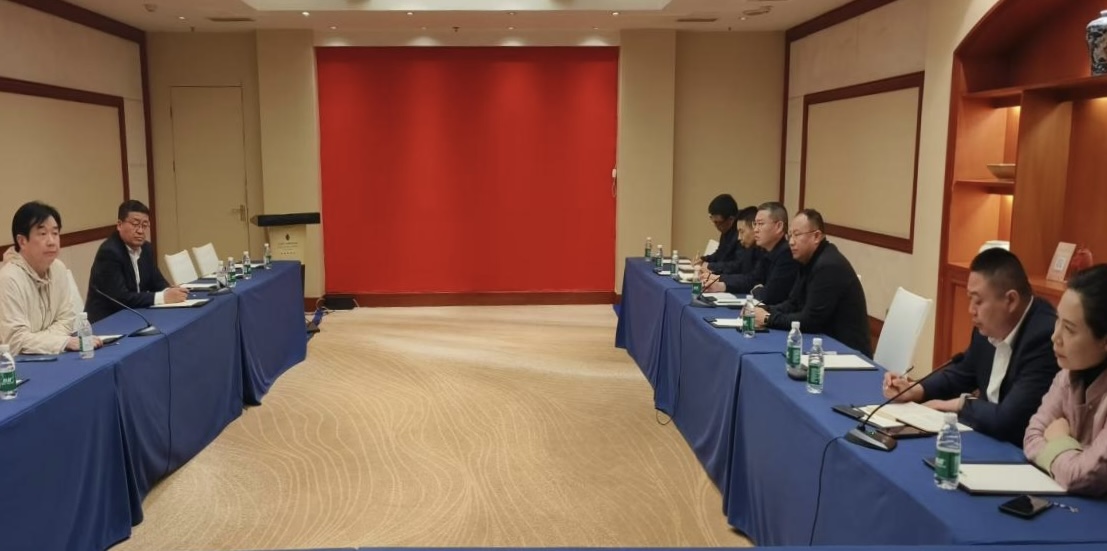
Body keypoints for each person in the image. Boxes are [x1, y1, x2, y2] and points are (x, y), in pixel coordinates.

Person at [883, 248, 1058, 446]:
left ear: (1010, 300)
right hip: (985, 436)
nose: (971, 310)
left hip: (1017, 450)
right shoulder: (989, 327)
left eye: (978, 301)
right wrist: (916, 390)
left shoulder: (1044, 338)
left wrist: (959, 405)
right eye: (970, 300)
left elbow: (1009, 419)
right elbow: (962, 373)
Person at [1024, 265, 1107, 496]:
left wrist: (1060, 440)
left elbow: (1083, 477)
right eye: (1058, 321)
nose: (1055, 336)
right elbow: (1032, 435)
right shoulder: (1068, 374)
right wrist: (1076, 457)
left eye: (1069, 329)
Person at [754, 209, 872, 357]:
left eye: (797, 235)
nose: (791, 242)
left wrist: (768, 318)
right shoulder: (807, 260)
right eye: (789, 235)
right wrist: (764, 309)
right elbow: (793, 303)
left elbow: (810, 320)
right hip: (822, 344)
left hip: (847, 353)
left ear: (816, 236)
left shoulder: (828, 266)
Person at [0, 201, 99, 354]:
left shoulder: (58, 268)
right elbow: (15, 340)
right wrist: (61, 342)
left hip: (50, 353)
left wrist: (47, 341)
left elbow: (67, 319)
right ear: (22, 241)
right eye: (42, 234)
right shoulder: (8, 279)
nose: (52, 241)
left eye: (55, 233)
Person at [85, 200, 187, 323]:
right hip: (107, 321)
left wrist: (170, 291)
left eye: (144, 225)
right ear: (119, 225)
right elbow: (121, 298)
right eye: (135, 224)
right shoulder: (109, 252)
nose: (140, 231)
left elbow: (157, 281)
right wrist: (163, 297)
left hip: (135, 315)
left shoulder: (146, 248)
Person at [705, 202, 798, 305]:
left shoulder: (787, 254)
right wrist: (721, 286)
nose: (756, 230)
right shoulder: (766, 250)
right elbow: (752, 280)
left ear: (779, 226)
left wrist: (756, 289)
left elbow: (769, 296)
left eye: (761, 224)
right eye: (755, 224)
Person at [702, 206, 761, 277]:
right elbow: (747, 278)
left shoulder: (763, 252)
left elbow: (738, 267)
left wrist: (714, 272)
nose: (739, 238)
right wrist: (704, 259)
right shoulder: (751, 249)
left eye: (742, 232)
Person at [697, 194, 741, 269]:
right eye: (713, 221)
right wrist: (703, 259)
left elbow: (736, 265)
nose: (715, 225)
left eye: (718, 222)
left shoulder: (741, 234)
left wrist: (709, 265)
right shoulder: (727, 230)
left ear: (731, 219)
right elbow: (720, 254)